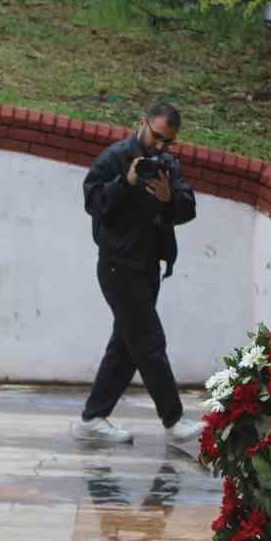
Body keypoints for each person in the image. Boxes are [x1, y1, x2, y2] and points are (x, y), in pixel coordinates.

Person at [71, 102, 205, 445]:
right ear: (142, 123)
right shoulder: (114, 157)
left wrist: (168, 198)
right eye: (156, 136)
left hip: (149, 266)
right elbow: (93, 203)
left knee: (126, 346)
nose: (160, 145)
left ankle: (92, 418)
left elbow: (188, 208)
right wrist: (126, 182)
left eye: (168, 141)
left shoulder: (166, 164)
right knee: (148, 341)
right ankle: (173, 420)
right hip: (117, 266)